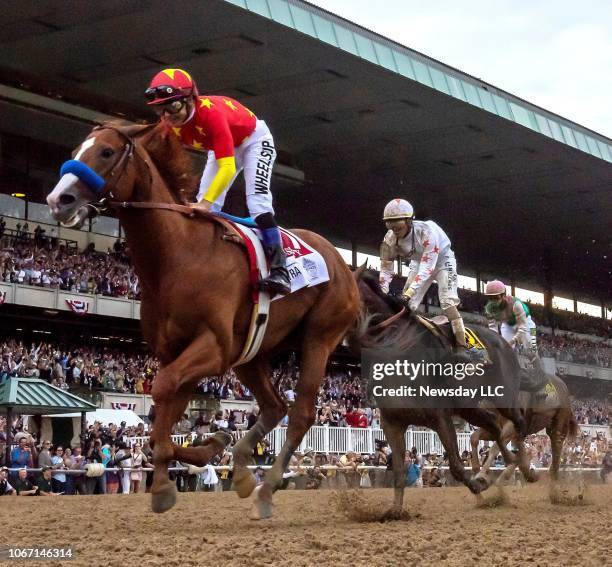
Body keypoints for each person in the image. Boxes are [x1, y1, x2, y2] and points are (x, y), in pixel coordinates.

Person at [145, 68, 290, 295]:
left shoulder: (211, 114)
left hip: (254, 140)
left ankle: (281, 270)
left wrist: (204, 203)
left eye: (172, 106)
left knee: (257, 202)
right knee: (207, 208)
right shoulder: (168, 124)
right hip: (221, 145)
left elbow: (227, 167)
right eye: (160, 109)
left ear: (190, 99)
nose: (168, 116)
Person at [378, 198, 478, 361]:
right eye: (390, 225)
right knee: (407, 306)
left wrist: (409, 292)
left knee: (447, 303)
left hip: (442, 260)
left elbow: (428, 269)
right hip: (419, 261)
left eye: (398, 225)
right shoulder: (388, 239)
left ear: (410, 221)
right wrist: (383, 290)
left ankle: (462, 347)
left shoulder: (426, 232)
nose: (394, 230)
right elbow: (385, 267)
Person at [484, 280, 538, 358]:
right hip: (507, 324)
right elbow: (493, 328)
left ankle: (537, 366)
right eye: (490, 298)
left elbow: (522, 328)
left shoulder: (516, 304)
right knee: (505, 350)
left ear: (503, 295)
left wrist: (512, 342)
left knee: (531, 348)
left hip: (527, 323)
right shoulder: (489, 308)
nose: (493, 301)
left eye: (496, 297)